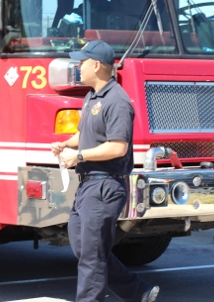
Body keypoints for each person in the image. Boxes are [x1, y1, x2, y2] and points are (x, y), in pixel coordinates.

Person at [50, 40, 159, 302]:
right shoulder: (92, 97)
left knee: (91, 258)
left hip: (105, 186)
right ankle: (138, 292)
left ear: (96, 65)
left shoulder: (118, 101)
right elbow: (84, 134)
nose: (78, 66)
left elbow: (117, 147)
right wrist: (66, 143)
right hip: (87, 186)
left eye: (83, 61)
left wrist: (78, 156)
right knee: (85, 249)